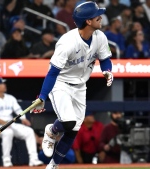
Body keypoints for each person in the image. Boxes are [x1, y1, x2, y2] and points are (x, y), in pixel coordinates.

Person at [30, 2, 113, 169]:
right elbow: (52, 72)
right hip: (61, 83)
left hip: (80, 86)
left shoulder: (100, 37)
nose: (101, 17)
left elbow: (105, 59)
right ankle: (52, 131)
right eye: (97, 15)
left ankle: (53, 166)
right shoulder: (67, 42)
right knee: (67, 122)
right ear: (88, 21)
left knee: (74, 129)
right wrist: (42, 97)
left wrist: (107, 71)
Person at [0, 77, 43, 167]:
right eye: (2, 84)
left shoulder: (10, 98)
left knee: (29, 131)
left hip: (11, 124)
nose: (4, 85)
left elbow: (18, 109)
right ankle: (6, 161)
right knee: (8, 132)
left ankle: (34, 159)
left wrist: (23, 118)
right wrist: (4, 123)